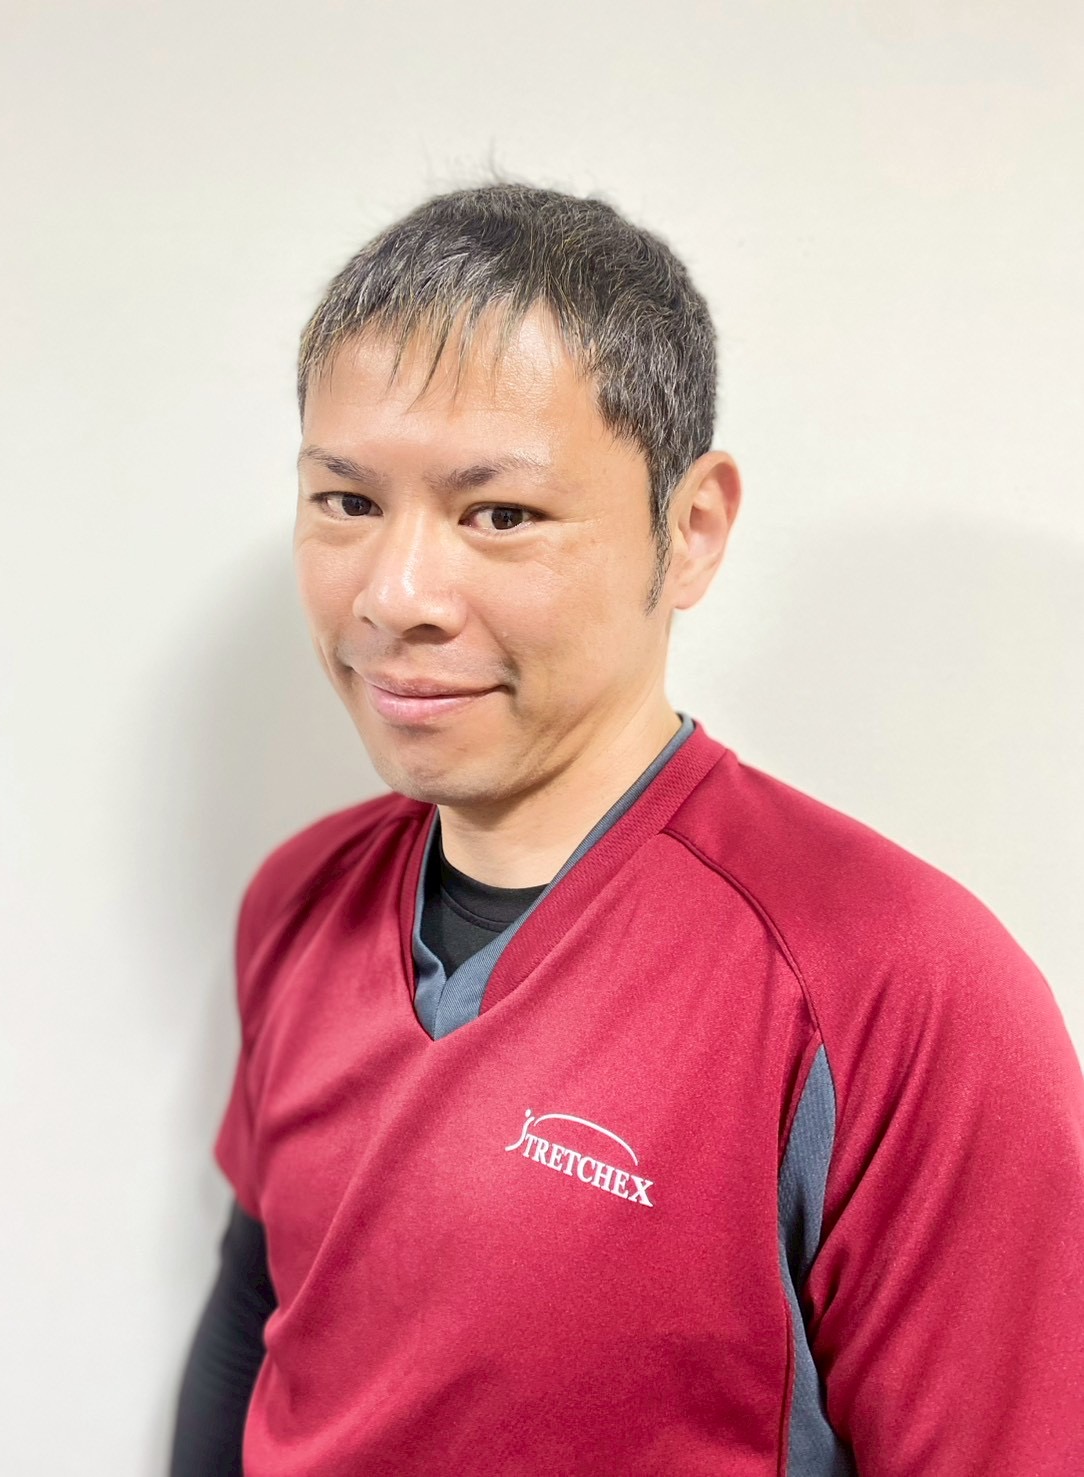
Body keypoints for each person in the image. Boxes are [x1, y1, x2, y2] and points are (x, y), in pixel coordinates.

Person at [170, 182, 1084, 1476]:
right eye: (348, 502)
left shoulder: (900, 990)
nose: (397, 594)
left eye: (500, 514)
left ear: (691, 529)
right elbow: (259, 1320)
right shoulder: (298, 899)